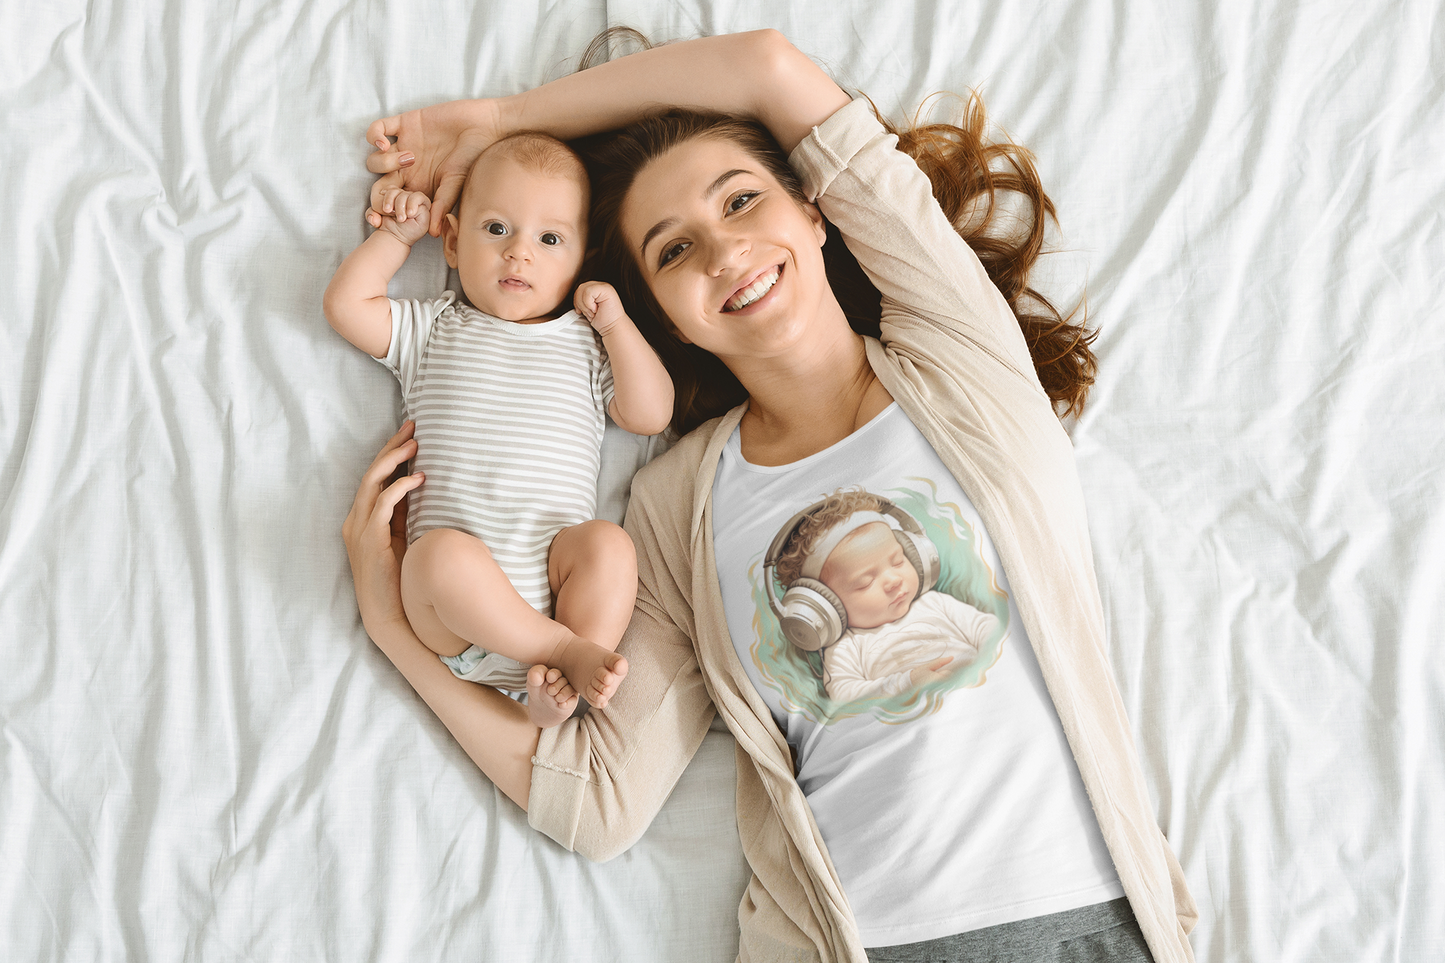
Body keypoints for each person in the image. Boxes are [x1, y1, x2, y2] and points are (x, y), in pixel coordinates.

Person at [341, 28, 1197, 963]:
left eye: (742, 201)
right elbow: (594, 798)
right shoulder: (679, 503)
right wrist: (389, 623)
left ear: (816, 212)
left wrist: (501, 120)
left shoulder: (960, 363)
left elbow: (765, 68)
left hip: (1092, 926)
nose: (723, 251)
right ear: (656, 309)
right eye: (672, 251)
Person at [325, 131, 674, 726]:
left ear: (582, 260)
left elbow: (650, 415)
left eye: (550, 239)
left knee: (608, 546)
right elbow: (347, 305)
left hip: (556, 588)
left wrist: (616, 325)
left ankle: (554, 692)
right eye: (496, 230)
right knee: (437, 555)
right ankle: (563, 656)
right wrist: (396, 237)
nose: (520, 253)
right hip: (453, 617)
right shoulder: (433, 329)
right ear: (454, 244)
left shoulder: (589, 346)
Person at [765, 487, 1001, 704]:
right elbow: (845, 697)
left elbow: (991, 632)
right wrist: (906, 683)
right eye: (865, 582)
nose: (894, 581)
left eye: (898, 561)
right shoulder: (846, 648)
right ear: (824, 604)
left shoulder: (936, 603)